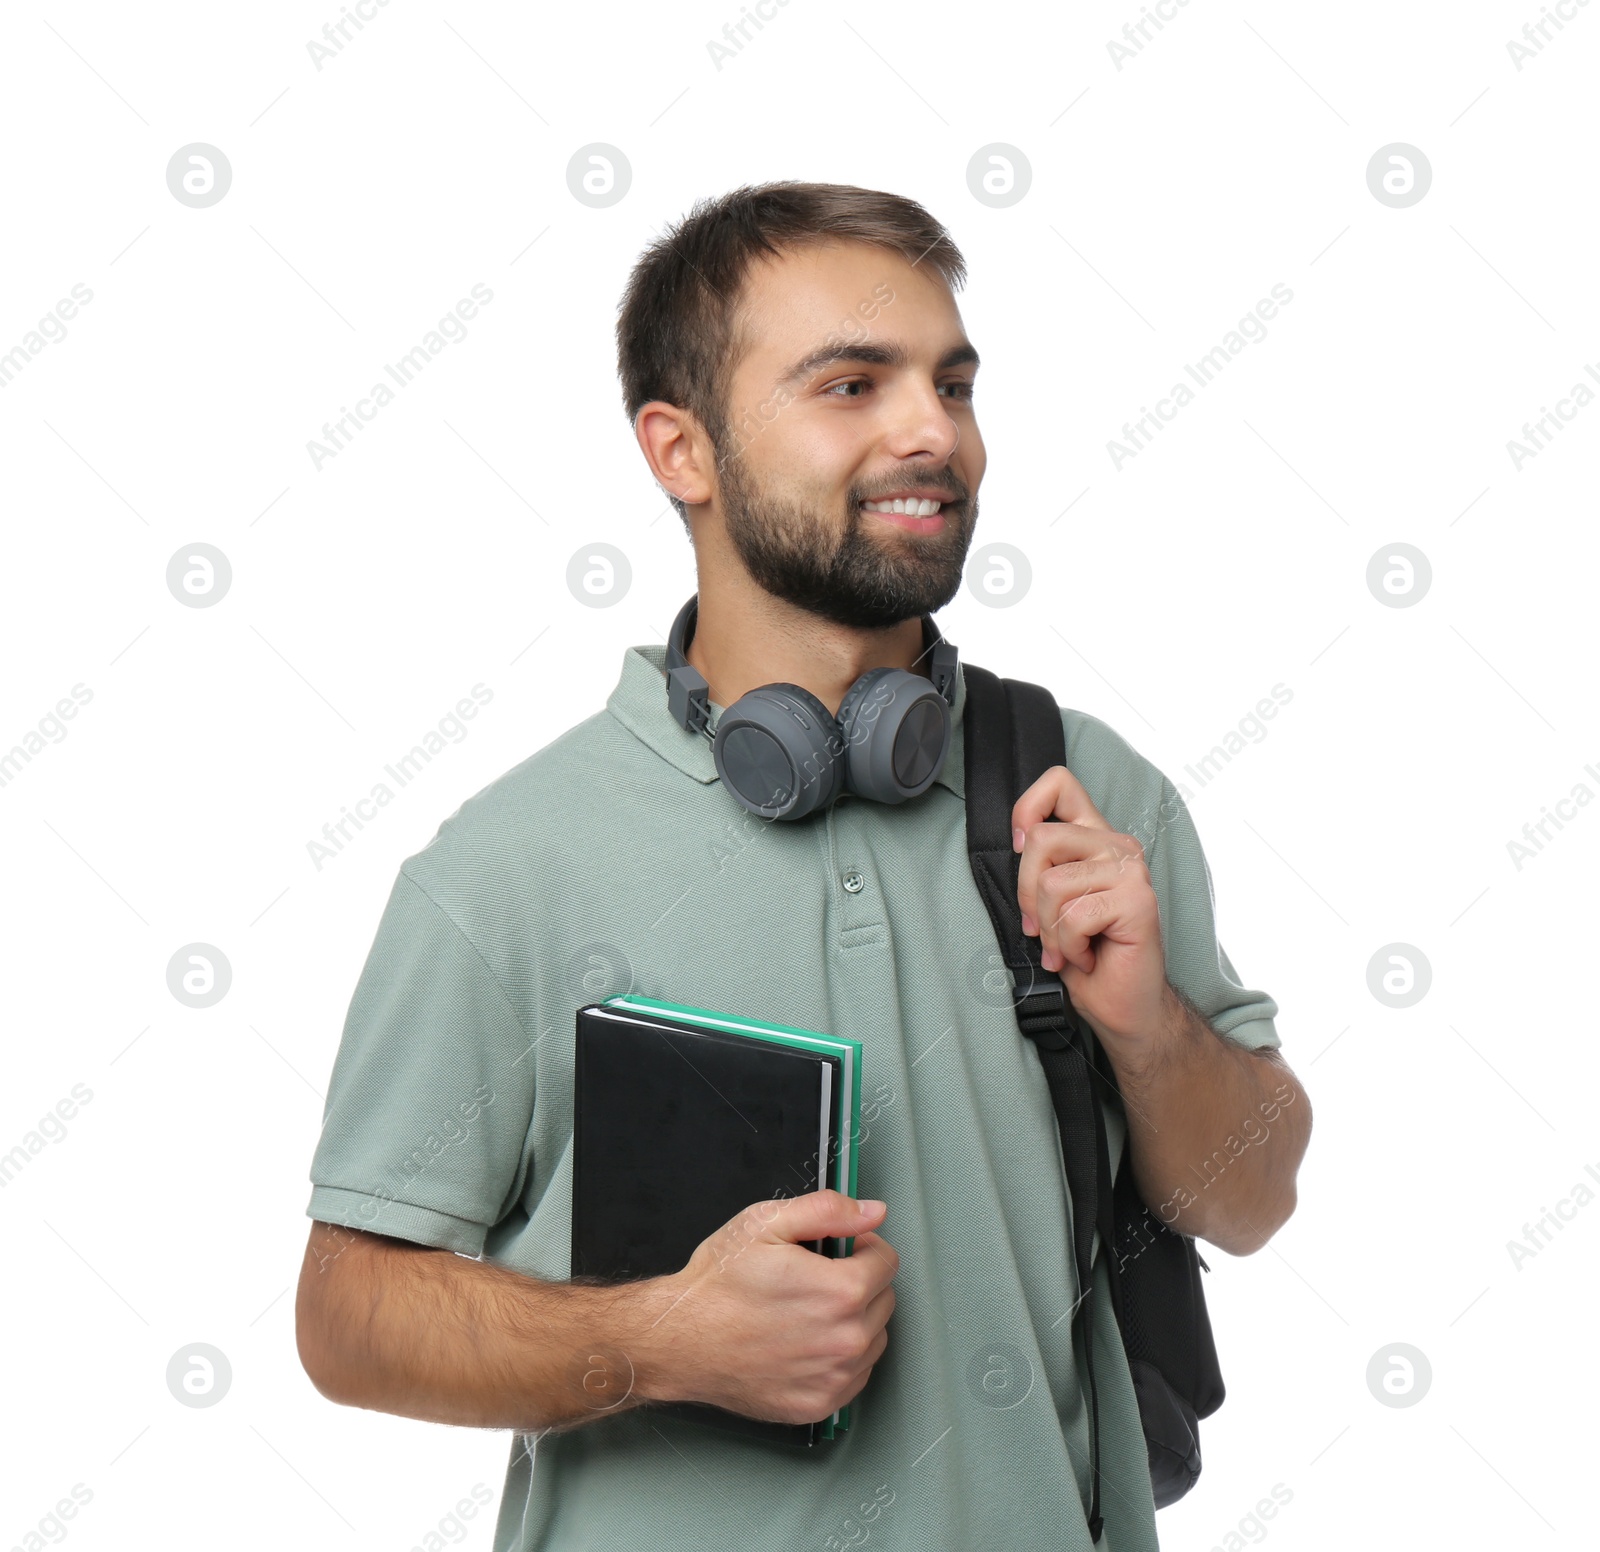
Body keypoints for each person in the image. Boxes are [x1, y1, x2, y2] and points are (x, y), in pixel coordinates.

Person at [294, 180, 1312, 1552]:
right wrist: (662, 1339)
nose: (931, 434)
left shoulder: (1090, 796)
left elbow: (1252, 1200)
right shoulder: (509, 867)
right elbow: (349, 1316)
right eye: (852, 384)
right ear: (681, 450)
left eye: (953, 385)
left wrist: (1148, 1028)